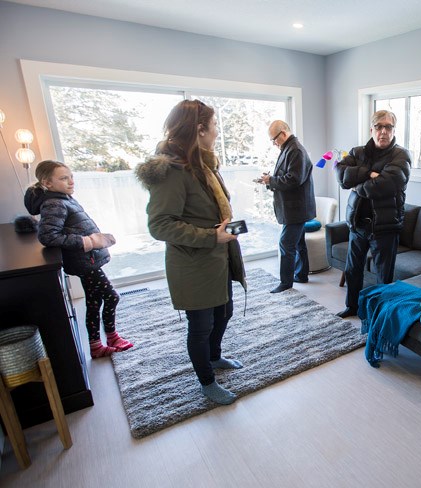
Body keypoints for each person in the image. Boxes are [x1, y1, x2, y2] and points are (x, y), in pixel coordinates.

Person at [135, 99, 246, 405]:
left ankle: (214, 357)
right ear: (199, 130)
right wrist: (212, 236)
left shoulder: (203, 165)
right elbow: (159, 225)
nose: (215, 133)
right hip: (194, 262)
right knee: (201, 326)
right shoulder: (172, 171)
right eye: (213, 127)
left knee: (224, 312)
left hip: (216, 259)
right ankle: (206, 382)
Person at [24, 160, 134, 358]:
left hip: (86, 259)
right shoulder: (54, 203)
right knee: (111, 296)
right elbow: (48, 236)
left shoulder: (63, 198)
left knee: (93, 300)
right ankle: (111, 337)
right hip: (84, 260)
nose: (71, 181)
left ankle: (97, 344)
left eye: (71, 176)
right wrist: (89, 241)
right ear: (47, 183)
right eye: (64, 178)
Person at [334, 110, 412, 318]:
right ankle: (352, 306)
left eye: (388, 127)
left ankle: (379, 316)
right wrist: (368, 174)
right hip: (358, 223)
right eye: (379, 127)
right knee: (353, 269)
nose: (383, 131)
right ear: (372, 129)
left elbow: (383, 186)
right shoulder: (357, 152)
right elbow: (340, 174)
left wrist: (356, 184)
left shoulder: (401, 156)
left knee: (383, 276)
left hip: (385, 227)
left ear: (394, 130)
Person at [256, 120, 316, 293]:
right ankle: (301, 274)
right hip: (294, 206)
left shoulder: (295, 150)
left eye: (274, 139)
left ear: (283, 133)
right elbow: (287, 175)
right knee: (298, 243)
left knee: (286, 243)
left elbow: (294, 179)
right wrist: (270, 179)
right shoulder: (288, 149)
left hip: (296, 208)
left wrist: (271, 180)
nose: (274, 143)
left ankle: (286, 283)